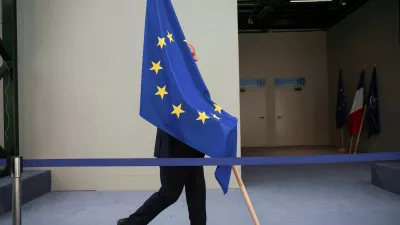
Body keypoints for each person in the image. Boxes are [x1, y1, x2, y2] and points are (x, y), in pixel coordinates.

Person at [118, 44, 207, 225]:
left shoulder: (191, 82)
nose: (196, 58)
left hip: (193, 148)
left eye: (195, 54)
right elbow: (172, 113)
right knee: (169, 194)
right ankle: (131, 223)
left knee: (197, 194)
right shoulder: (171, 81)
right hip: (173, 149)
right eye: (191, 54)